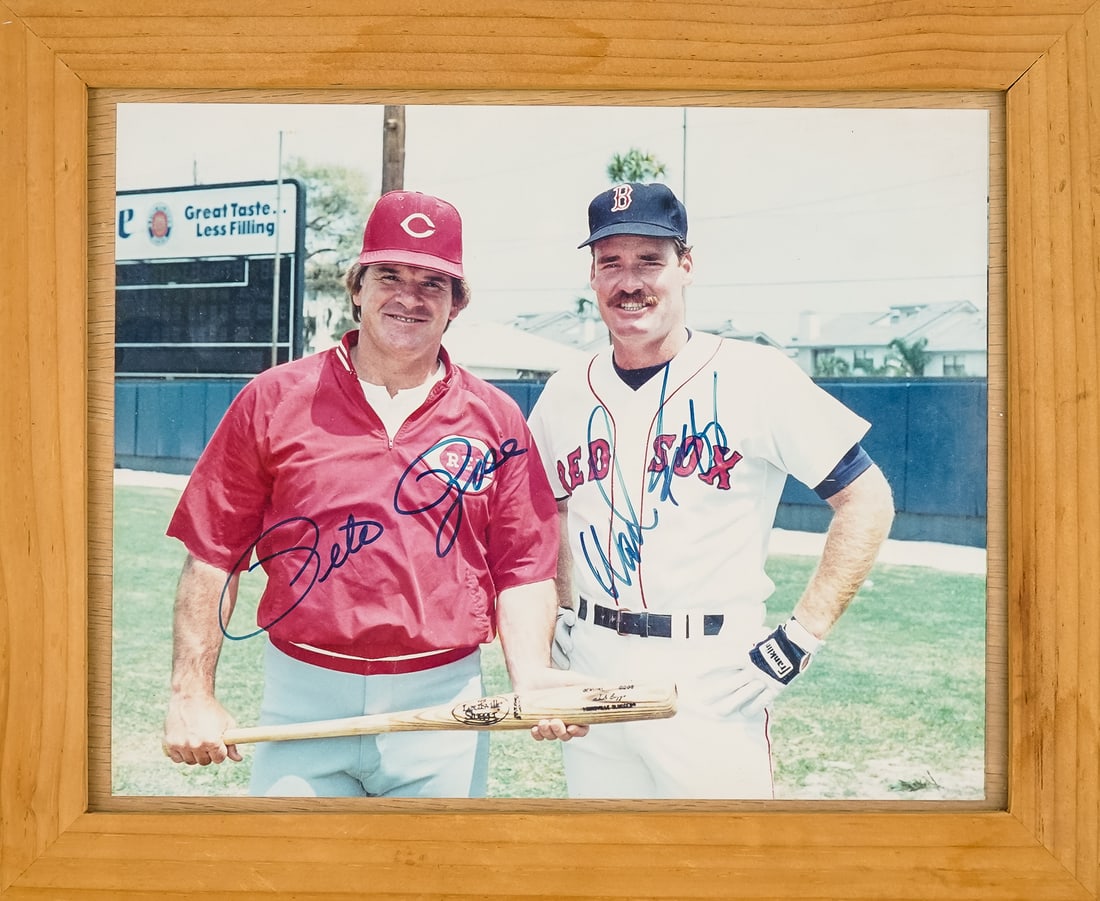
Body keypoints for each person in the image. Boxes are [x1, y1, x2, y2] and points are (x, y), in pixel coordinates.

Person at [162, 190, 586, 798]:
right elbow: (212, 555)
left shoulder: (496, 418)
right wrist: (190, 694)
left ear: (456, 304)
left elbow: (522, 568)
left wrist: (534, 674)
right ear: (357, 287)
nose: (409, 297)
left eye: (433, 283)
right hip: (304, 694)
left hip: (444, 701)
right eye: (390, 275)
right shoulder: (273, 398)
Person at [527, 182, 896, 799]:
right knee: (608, 870)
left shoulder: (756, 375)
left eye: (650, 260)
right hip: (590, 662)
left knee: (723, 869)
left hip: (709, 668)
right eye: (610, 262)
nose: (630, 281)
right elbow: (552, 509)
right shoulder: (566, 389)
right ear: (591, 276)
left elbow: (867, 498)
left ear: (686, 266)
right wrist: (562, 613)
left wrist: (800, 637)